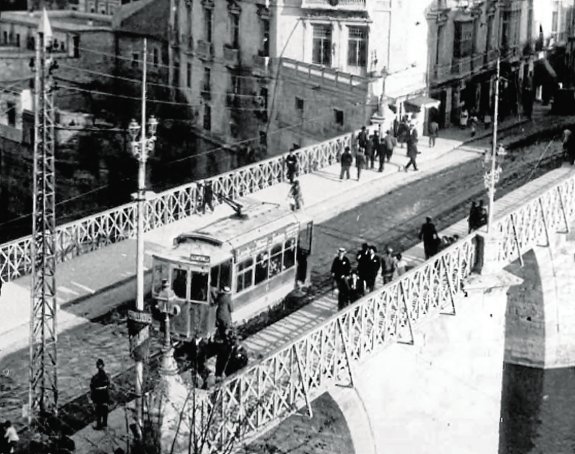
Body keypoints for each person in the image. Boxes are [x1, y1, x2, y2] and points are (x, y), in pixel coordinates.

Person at [90, 359, 110, 431]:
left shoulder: (95, 377)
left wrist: (92, 398)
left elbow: (92, 387)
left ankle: (100, 425)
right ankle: (104, 424)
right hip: (104, 395)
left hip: (99, 395)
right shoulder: (106, 376)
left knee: (99, 411)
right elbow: (108, 385)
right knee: (104, 409)